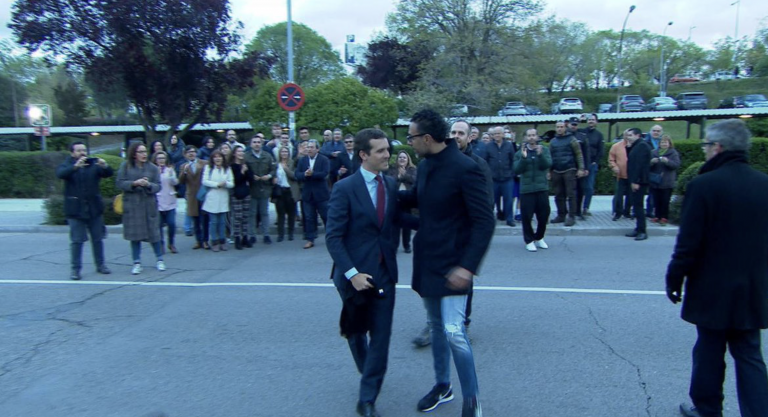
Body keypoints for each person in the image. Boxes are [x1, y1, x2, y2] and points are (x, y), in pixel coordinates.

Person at [666, 119, 768, 417]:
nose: (706, 151)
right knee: (749, 353)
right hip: (752, 285)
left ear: (718, 147)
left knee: (709, 350)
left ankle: (708, 409)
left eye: (706, 145)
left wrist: (675, 278)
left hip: (712, 287)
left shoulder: (703, 185)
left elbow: (688, 243)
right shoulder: (764, 185)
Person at [400, 109, 494, 417]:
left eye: (411, 136)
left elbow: (484, 223)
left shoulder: (468, 169)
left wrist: (467, 267)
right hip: (428, 259)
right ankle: (443, 386)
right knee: (436, 327)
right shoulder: (426, 166)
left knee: (454, 331)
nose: (409, 142)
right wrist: (378, 191)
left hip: (455, 264)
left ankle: (472, 400)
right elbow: (418, 199)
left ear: (427, 138)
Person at [326, 128, 400, 417]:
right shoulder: (345, 188)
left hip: (384, 273)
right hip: (352, 276)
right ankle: (367, 368)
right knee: (356, 332)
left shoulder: (391, 185)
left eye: (387, 149)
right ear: (363, 155)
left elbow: (398, 219)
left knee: (381, 336)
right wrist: (352, 274)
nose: (387, 155)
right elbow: (333, 237)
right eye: (380, 150)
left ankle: (367, 399)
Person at [56, 142, 114, 280]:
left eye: (84, 150)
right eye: (78, 151)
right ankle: (75, 269)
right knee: (77, 240)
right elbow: (60, 174)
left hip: (93, 208)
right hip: (75, 210)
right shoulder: (67, 165)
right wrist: (75, 167)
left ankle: (101, 265)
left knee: (98, 239)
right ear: (72, 153)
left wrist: (104, 165)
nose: (82, 153)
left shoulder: (92, 164)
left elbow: (108, 173)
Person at [116, 142, 165, 275]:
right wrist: (134, 183)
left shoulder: (153, 168)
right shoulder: (125, 166)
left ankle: (159, 259)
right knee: (135, 236)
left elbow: (158, 186)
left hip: (149, 205)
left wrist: (148, 185)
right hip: (132, 205)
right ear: (134, 154)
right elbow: (119, 183)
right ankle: (136, 262)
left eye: (145, 151)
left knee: (154, 234)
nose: (144, 154)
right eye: (141, 152)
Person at [514, 128, 552, 252]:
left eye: (533, 135)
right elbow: (516, 170)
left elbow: (547, 165)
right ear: (525, 138)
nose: (531, 137)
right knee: (526, 216)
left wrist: (540, 155)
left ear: (537, 137)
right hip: (527, 189)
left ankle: (539, 237)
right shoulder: (520, 153)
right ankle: (529, 240)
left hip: (541, 188)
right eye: (529, 135)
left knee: (544, 214)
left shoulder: (544, 150)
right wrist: (524, 159)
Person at [549, 120, 586, 227]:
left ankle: (571, 216)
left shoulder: (572, 140)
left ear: (565, 128)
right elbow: (549, 157)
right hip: (556, 171)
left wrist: (581, 169)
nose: (559, 129)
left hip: (569, 169)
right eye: (557, 127)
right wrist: (548, 171)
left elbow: (579, 155)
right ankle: (561, 215)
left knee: (571, 194)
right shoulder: (553, 141)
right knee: (558, 194)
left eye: (561, 126)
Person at [295, 139, 330, 249]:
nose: (309, 149)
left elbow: (325, 173)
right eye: (308, 147)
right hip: (307, 194)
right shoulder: (302, 160)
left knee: (326, 217)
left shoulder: (324, 159)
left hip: (321, 194)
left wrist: (313, 174)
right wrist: (305, 175)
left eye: (311, 147)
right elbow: (297, 174)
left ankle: (331, 238)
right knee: (309, 217)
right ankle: (310, 239)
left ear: (317, 149)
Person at [479, 126, 516, 226]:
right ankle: (490, 219)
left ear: (503, 134)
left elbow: (513, 160)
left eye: (499, 133)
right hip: (493, 179)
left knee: (508, 200)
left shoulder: (509, 145)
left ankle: (509, 219)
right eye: (495, 134)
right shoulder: (488, 146)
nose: (497, 135)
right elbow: (485, 161)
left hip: (507, 178)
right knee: (492, 200)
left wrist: (512, 173)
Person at [244, 135, 276, 245]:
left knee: (264, 213)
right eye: (254, 142)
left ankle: (266, 234)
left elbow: (273, 169)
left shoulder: (267, 156)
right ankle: (252, 235)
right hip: (252, 188)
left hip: (264, 188)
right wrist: (250, 176)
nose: (257, 144)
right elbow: (243, 171)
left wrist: (269, 176)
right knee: (252, 213)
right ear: (251, 144)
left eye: (258, 142)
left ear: (261, 143)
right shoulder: (246, 156)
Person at [178, 146, 210, 250]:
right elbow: (181, 181)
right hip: (191, 195)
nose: (191, 154)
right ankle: (198, 241)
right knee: (195, 219)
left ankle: (205, 240)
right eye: (189, 152)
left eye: (193, 152)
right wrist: (185, 172)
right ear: (185, 154)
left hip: (202, 194)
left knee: (204, 219)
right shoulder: (183, 166)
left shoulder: (204, 163)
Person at [202, 150, 234, 252]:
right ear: (212, 159)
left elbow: (232, 183)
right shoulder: (209, 168)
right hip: (212, 198)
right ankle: (214, 241)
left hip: (223, 198)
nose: (217, 159)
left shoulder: (227, 169)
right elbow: (204, 181)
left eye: (219, 157)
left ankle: (222, 241)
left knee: (222, 222)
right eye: (215, 157)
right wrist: (217, 184)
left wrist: (225, 184)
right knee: (213, 222)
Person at [387, 150, 417, 253]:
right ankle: (394, 246)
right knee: (395, 224)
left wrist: (404, 176)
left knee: (407, 224)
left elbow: (414, 180)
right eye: (400, 157)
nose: (402, 159)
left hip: (407, 199)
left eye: (404, 157)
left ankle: (407, 245)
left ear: (408, 159)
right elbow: (389, 180)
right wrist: (398, 176)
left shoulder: (412, 169)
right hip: (395, 199)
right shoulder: (392, 169)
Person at [624, 127, 651, 241]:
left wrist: (636, 181)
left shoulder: (642, 146)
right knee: (635, 205)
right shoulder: (636, 146)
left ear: (637, 135)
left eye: (630, 135)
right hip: (634, 180)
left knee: (638, 206)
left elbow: (640, 166)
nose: (628, 137)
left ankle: (642, 231)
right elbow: (631, 159)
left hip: (639, 181)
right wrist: (628, 147)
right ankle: (638, 228)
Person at [649, 135, 680, 225]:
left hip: (667, 181)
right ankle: (657, 216)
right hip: (655, 181)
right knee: (656, 200)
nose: (664, 144)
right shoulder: (654, 152)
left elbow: (676, 165)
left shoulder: (673, 153)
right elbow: (646, 165)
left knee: (665, 200)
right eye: (662, 142)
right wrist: (651, 162)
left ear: (669, 144)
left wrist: (667, 162)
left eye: (666, 142)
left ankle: (664, 217)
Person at [151, 151, 178, 254]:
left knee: (171, 223)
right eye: (159, 158)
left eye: (163, 158)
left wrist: (171, 176)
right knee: (159, 225)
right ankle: (160, 244)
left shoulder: (170, 170)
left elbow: (175, 182)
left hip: (170, 200)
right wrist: (157, 174)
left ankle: (171, 243)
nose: (161, 160)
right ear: (155, 160)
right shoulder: (153, 171)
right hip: (157, 201)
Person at [579, 114, 604, 216]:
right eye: (589, 119)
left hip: (591, 164)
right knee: (579, 187)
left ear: (596, 122)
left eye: (593, 120)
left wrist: (595, 162)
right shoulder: (581, 132)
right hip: (580, 164)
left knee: (589, 187)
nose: (591, 121)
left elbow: (601, 150)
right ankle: (577, 209)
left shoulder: (599, 135)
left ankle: (585, 208)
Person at [274, 146, 300, 242]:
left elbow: (294, 176)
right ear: (280, 153)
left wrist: (286, 169)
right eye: (282, 152)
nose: (284, 154)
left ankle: (291, 233)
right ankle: (280, 234)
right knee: (280, 214)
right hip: (280, 190)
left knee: (291, 213)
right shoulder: (276, 164)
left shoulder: (292, 163)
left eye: (286, 152)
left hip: (290, 191)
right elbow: (273, 175)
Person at [229, 146, 252, 249]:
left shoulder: (246, 165)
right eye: (238, 151)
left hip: (246, 193)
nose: (241, 153)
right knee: (237, 217)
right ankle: (237, 237)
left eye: (242, 151)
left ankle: (245, 237)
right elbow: (235, 181)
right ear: (234, 153)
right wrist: (242, 172)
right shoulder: (232, 166)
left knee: (245, 216)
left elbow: (251, 179)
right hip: (236, 194)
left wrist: (246, 171)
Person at [608, 130, 631, 221]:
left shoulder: (636, 146)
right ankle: (617, 212)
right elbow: (611, 159)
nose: (628, 136)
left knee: (630, 195)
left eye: (630, 135)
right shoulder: (616, 146)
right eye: (626, 135)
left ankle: (627, 212)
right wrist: (614, 167)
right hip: (619, 175)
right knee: (618, 194)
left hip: (632, 175)